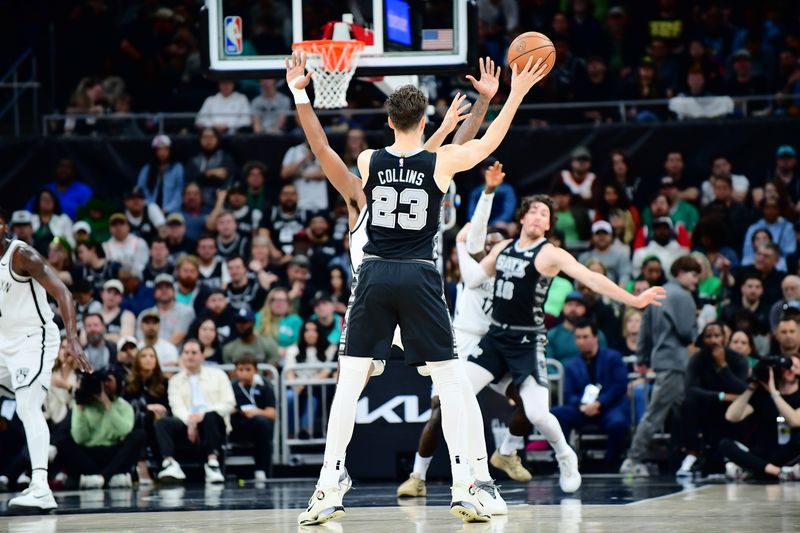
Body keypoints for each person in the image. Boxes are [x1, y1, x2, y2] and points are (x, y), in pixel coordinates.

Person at [287, 52, 550, 525]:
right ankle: (465, 484)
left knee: (348, 385)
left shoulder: (368, 162)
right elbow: (475, 145)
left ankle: (328, 485)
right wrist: (512, 95)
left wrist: (301, 94)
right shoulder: (439, 161)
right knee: (452, 383)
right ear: (425, 119)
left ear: (388, 121)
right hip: (418, 275)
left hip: (372, 276)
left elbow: (324, 150)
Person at [0, 208, 92, 510]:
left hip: (33, 340)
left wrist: (73, 338)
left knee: (27, 406)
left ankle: (40, 486)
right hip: (3, 343)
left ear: (3, 226)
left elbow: (64, 293)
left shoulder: (21, 254)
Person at [620, 256, 700, 476]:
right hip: (675, 362)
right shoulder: (683, 296)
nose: (696, 281)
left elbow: (645, 330)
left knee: (684, 412)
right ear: (682, 272)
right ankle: (632, 459)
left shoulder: (658, 292)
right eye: (694, 275)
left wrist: (643, 358)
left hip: (661, 360)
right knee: (655, 414)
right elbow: (686, 333)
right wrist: (696, 330)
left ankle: (689, 456)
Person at [551, 321, 630, 470]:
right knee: (556, 415)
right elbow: (569, 393)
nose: (581, 341)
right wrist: (582, 406)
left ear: (595, 337)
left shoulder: (613, 357)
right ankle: (564, 460)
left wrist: (599, 403)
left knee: (618, 423)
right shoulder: (571, 364)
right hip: (583, 409)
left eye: (585, 337)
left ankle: (610, 465)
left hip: (609, 407)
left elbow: (619, 386)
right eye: (578, 337)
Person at [155, 339, 236, 484]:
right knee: (162, 423)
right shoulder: (175, 381)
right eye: (186, 353)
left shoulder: (219, 375)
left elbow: (229, 403)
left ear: (202, 355)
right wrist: (191, 421)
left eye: (194, 352)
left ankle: (213, 464)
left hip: (214, 423)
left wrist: (202, 416)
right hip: (186, 422)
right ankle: (170, 463)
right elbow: (176, 406)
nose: (190, 356)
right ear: (181, 357)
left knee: (210, 416)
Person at [676, 322, 749, 477]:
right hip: (706, 407)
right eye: (709, 336)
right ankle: (692, 454)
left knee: (744, 406)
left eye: (717, 336)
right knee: (687, 403)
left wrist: (723, 366)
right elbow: (690, 389)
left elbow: (742, 390)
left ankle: (737, 455)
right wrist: (721, 396)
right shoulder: (698, 358)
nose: (713, 340)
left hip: (730, 411)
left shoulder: (737, 359)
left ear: (724, 337)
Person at [60, 369, 145, 488]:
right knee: (63, 441)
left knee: (139, 435)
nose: (104, 385)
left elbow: (124, 431)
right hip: (89, 454)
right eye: (101, 381)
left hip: (114, 454)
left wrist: (107, 404)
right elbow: (80, 438)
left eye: (108, 381)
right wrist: (80, 405)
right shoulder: (83, 405)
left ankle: (102, 478)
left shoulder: (123, 406)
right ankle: (108, 478)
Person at [721, 354, 800, 481]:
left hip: (789, 452)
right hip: (764, 453)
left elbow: (795, 421)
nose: (790, 369)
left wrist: (774, 392)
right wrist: (751, 388)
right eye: (786, 366)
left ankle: (754, 470)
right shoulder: (762, 394)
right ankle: (776, 472)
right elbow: (731, 416)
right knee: (725, 444)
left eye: (794, 366)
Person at [123, 345, 170, 486]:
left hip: (158, 422)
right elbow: (125, 405)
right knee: (142, 417)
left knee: (147, 419)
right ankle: (142, 463)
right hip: (134, 421)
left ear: (156, 360)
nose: (148, 359)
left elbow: (168, 406)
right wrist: (147, 407)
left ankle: (147, 464)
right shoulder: (129, 382)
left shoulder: (164, 382)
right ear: (137, 360)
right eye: (144, 356)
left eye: (151, 356)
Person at [230, 354, 277, 481]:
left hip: (258, 426)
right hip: (238, 425)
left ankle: (261, 469)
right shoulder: (232, 387)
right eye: (240, 370)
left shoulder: (264, 386)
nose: (244, 373)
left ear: (255, 370)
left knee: (262, 423)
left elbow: (272, 413)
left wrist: (256, 412)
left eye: (248, 369)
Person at [546, 291, 608, 362]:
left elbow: (603, 361)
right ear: (563, 307)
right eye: (570, 304)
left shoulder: (595, 334)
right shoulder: (552, 335)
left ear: (585, 309)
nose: (573, 309)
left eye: (578, 305)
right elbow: (549, 364)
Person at [136, 135, 184, 214]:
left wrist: (167, 209)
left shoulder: (177, 168)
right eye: (159, 149)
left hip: (172, 211)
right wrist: (151, 208)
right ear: (154, 151)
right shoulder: (146, 169)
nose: (162, 152)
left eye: (165, 149)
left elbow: (179, 193)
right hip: (149, 211)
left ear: (170, 150)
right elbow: (140, 191)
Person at [579, 220, 632, 286]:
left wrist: (619, 292)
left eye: (605, 233)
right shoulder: (584, 257)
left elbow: (625, 275)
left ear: (611, 236)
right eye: (598, 233)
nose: (602, 236)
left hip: (612, 292)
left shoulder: (621, 255)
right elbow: (578, 279)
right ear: (592, 237)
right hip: (589, 292)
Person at [99, 279, 136, 343]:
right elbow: (83, 339)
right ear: (102, 294)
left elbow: (126, 340)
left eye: (116, 293)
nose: (111, 296)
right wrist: (114, 337)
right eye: (109, 291)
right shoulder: (93, 314)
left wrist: (98, 337)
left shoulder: (127, 315)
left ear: (121, 298)